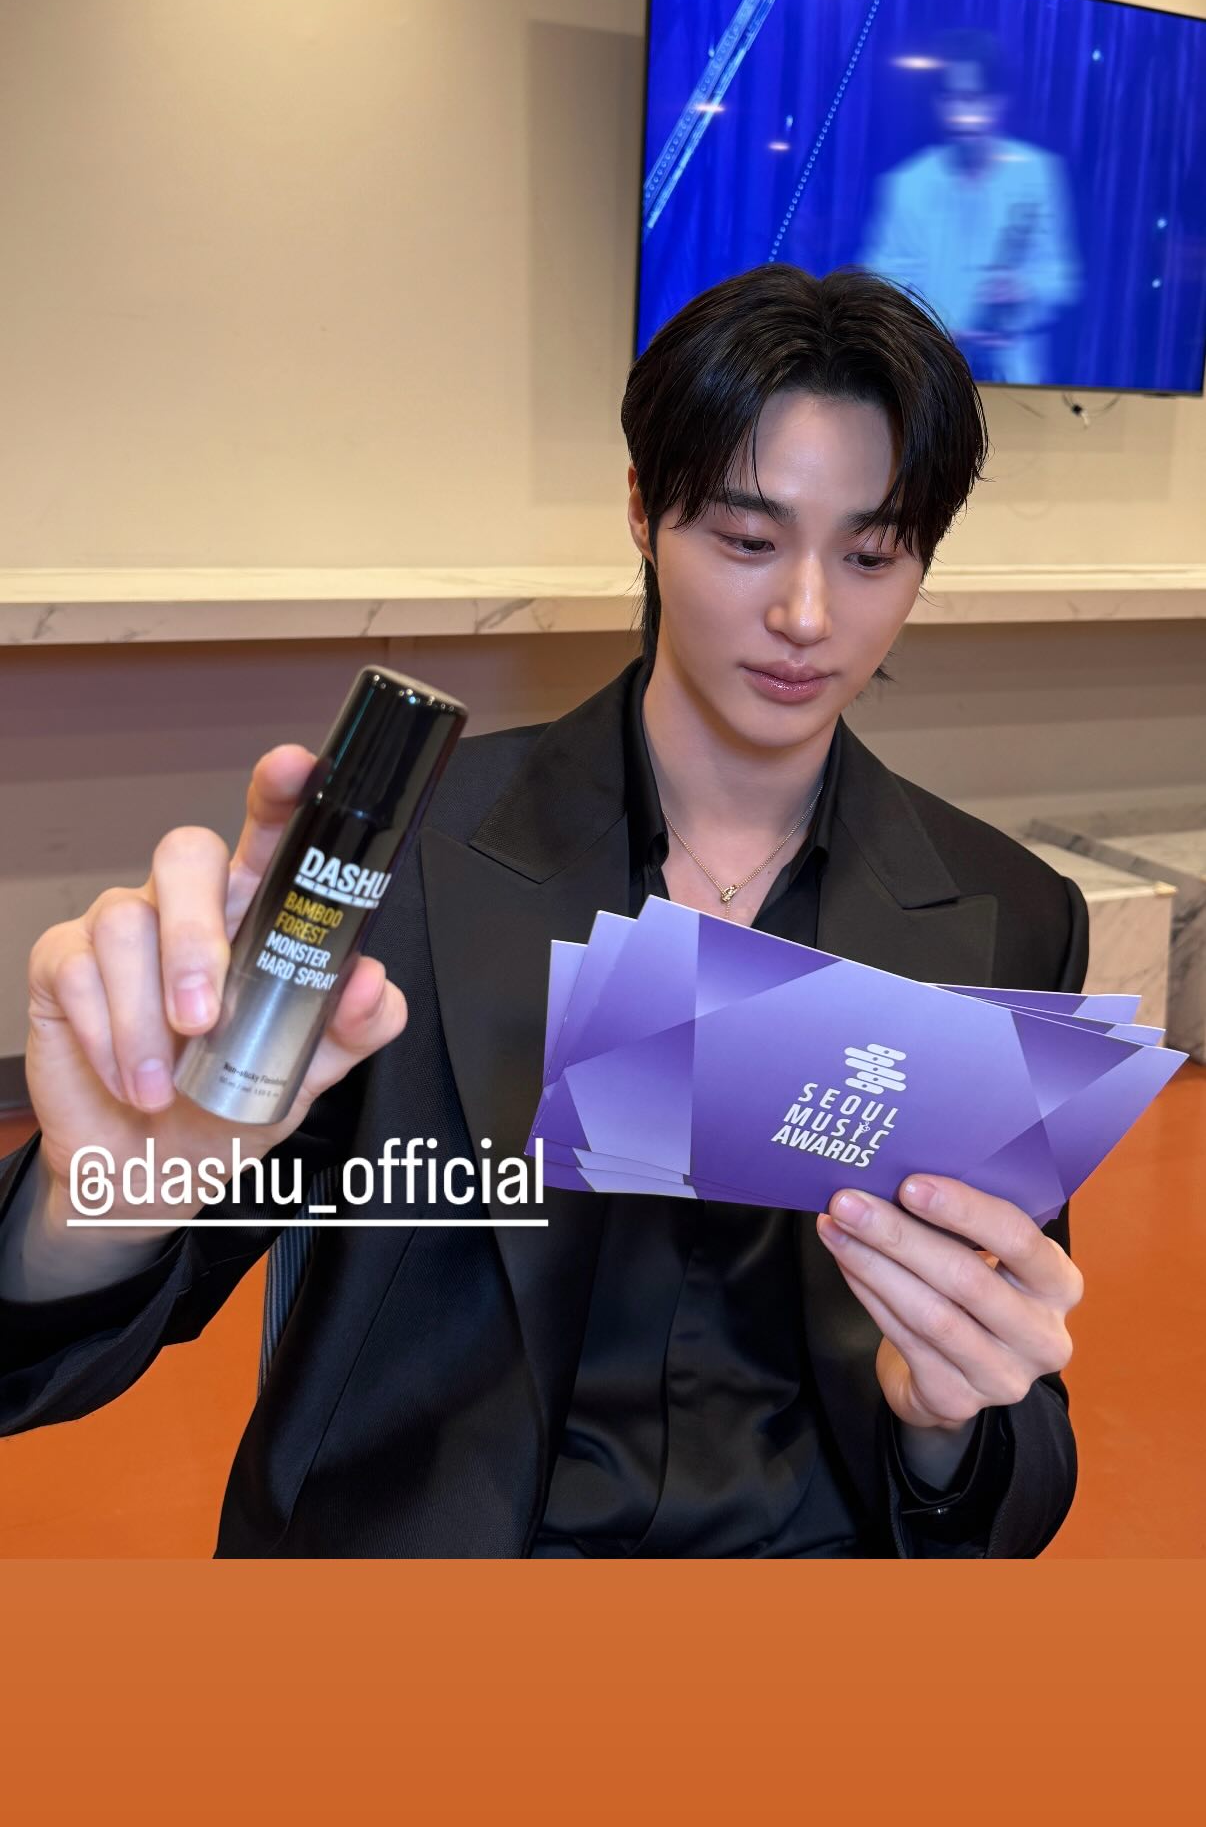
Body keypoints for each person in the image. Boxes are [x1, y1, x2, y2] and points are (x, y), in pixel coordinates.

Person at [0, 265, 1087, 1559]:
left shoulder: (1013, 916)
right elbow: (78, 1323)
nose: (805, 614)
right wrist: (94, 1193)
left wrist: (948, 1420)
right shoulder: (404, 858)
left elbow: (1010, 1446)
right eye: (746, 540)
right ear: (641, 510)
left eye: (869, 554)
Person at [860, 29, 1081, 385]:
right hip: (929, 379)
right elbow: (879, 287)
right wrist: (939, 334)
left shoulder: (1038, 173)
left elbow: (1062, 278)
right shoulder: (906, 184)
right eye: (950, 99)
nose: (961, 115)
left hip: (1017, 383)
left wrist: (1024, 288)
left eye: (973, 99)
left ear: (998, 102)